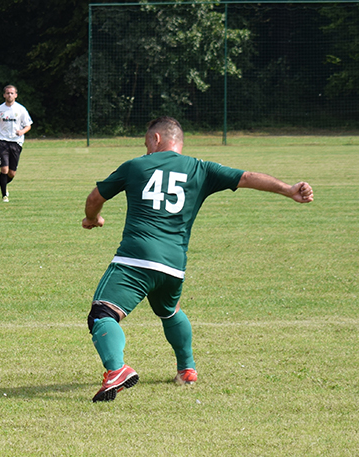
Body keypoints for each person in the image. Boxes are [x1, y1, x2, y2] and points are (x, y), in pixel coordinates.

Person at [82, 116, 314, 402]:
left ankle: (116, 370)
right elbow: (247, 177)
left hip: (136, 259)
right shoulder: (201, 169)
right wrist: (289, 190)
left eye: (146, 145)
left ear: (156, 139)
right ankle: (187, 368)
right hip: (173, 265)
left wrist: (92, 219)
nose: (146, 151)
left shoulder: (136, 165)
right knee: (170, 311)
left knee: (103, 314)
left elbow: (95, 197)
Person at [0, 85, 32, 202]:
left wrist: (22, 131)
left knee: (12, 173)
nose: (9, 95)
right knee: (4, 170)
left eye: (12, 93)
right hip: (2, 141)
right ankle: (4, 195)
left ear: (16, 95)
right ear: (4, 95)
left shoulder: (21, 110)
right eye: (7, 93)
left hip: (16, 142)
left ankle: (4, 185)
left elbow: (28, 125)